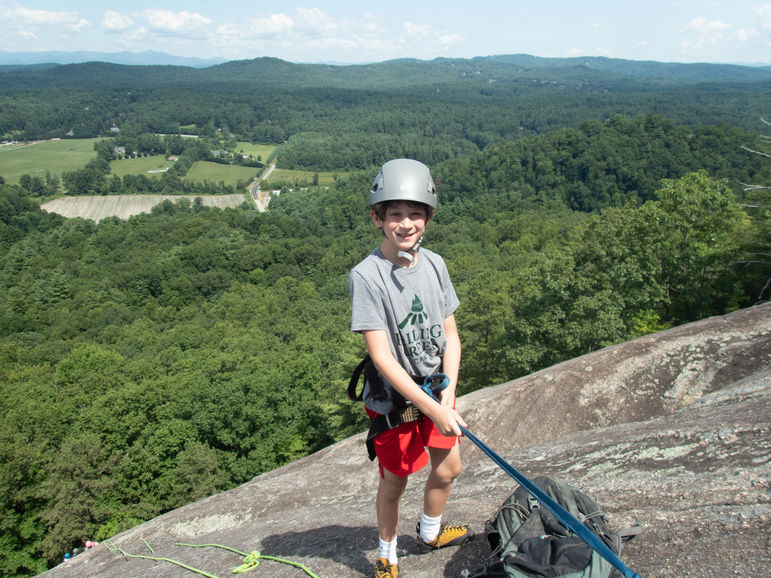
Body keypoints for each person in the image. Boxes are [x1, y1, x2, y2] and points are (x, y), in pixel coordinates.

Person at [349, 159, 473, 577]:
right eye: (395, 214)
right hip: (395, 397)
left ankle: (429, 532)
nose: (406, 224)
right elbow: (382, 358)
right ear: (377, 218)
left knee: (449, 466)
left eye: (415, 213)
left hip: (437, 388)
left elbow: (451, 336)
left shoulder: (435, 265)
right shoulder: (368, 276)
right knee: (395, 480)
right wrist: (435, 408)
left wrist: (448, 392)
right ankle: (387, 552)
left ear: (429, 217)